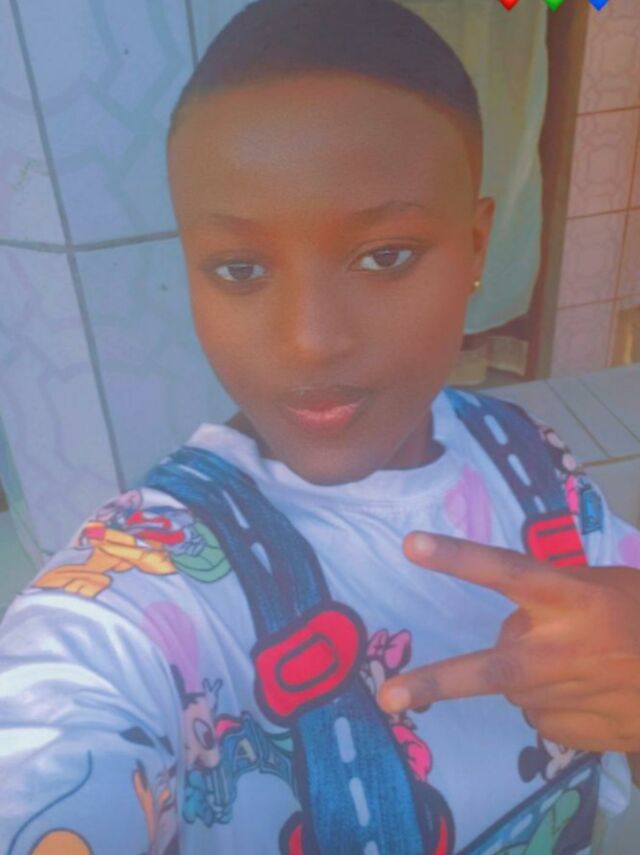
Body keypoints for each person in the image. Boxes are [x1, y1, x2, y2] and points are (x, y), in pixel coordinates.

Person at [1, 1, 639, 853]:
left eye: (385, 256)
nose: (310, 339)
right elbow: (51, 738)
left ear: (478, 245)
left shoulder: (528, 457)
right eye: (240, 268)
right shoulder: (147, 585)